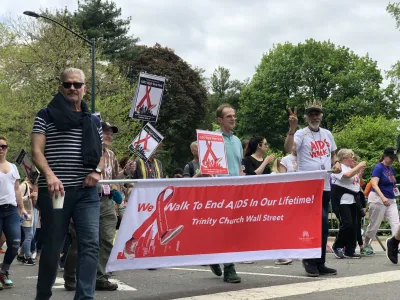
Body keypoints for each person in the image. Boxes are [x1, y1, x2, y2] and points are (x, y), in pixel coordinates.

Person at [31, 67, 103, 300]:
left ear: (84, 88)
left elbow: (101, 153)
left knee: (90, 244)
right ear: (61, 87)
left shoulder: (93, 120)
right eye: (68, 84)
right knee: (52, 248)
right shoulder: (46, 114)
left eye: (77, 84)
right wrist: (50, 176)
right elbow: (36, 151)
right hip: (56, 193)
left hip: (86, 192)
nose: (72, 88)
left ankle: (85, 297)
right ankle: (42, 295)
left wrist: (97, 171)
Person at [284, 102, 340, 277]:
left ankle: (320, 262)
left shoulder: (327, 134)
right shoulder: (301, 133)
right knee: (319, 222)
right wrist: (292, 129)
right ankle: (308, 259)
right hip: (307, 186)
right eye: (311, 114)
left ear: (321, 115)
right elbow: (289, 149)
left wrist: (336, 163)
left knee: (323, 228)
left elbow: (333, 154)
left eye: (317, 114)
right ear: (307, 117)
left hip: (325, 185)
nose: (314, 117)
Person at [209, 104, 242, 283]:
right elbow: (207, 166)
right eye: (229, 116)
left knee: (233, 229)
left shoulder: (237, 141)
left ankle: (213, 255)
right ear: (220, 120)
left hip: (236, 190)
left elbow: (239, 167)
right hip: (220, 191)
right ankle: (229, 268)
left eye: (234, 116)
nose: (233, 118)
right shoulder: (212, 138)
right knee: (226, 229)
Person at [0, 136, 27, 290]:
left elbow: (17, 190)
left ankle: (4, 271)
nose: (1, 149)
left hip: (10, 210)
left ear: (7, 148)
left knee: (15, 243)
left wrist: (21, 208)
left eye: (4, 146)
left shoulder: (13, 167)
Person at [363, 148, 399, 256]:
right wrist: (383, 197)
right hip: (378, 199)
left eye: (394, 158)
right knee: (375, 224)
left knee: (396, 222)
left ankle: (395, 245)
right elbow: (374, 184)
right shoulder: (378, 167)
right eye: (391, 157)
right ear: (385, 156)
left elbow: (392, 184)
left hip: (391, 199)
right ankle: (366, 244)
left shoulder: (391, 169)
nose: (393, 160)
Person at [330, 149, 366, 259]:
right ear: (344, 158)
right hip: (342, 200)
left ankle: (350, 249)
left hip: (353, 199)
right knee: (347, 223)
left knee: (355, 225)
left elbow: (355, 181)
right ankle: (337, 246)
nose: (353, 159)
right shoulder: (339, 167)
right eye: (351, 157)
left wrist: (359, 172)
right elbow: (347, 175)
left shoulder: (351, 168)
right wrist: (359, 166)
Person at [16, 178, 37, 266]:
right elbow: (17, 198)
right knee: (29, 236)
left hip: (30, 214)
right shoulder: (24, 186)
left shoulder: (31, 187)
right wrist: (29, 196)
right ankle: (27, 257)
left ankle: (21, 255)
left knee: (29, 236)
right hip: (24, 214)